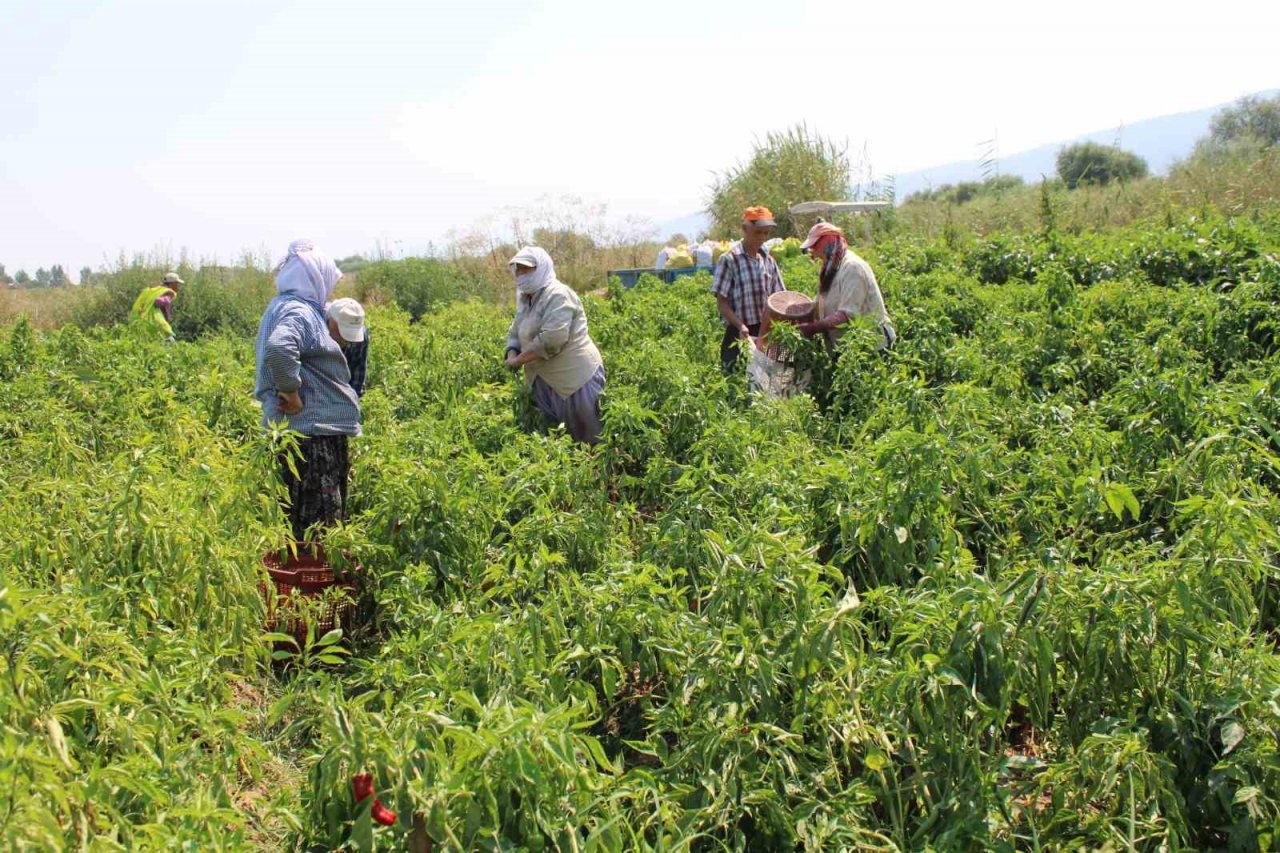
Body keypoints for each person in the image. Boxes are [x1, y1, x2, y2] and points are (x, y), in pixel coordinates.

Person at [254, 240, 361, 542]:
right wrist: (291, 393)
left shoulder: (296, 308)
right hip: (312, 435)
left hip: (316, 430)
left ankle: (308, 582)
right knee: (320, 524)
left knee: (305, 519)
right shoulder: (299, 312)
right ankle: (314, 583)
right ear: (314, 278)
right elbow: (279, 347)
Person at [504, 246, 606, 445]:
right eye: (519, 270)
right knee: (558, 440)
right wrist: (511, 351)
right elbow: (515, 330)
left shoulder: (558, 294)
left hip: (573, 380)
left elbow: (553, 338)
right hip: (542, 380)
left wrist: (518, 361)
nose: (522, 275)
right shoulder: (525, 298)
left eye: (527, 269)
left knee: (588, 438)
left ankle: (600, 474)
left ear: (542, 267)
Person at [796, 222, 895, 353]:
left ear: (827, 242)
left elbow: (848, 315)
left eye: (815, 246)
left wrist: (813, 328)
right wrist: (802, 313)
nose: (813, 252)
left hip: (872, 347)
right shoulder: (831, 268)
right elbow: (822, 301)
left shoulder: (852, 267)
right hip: (847, 348)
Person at [710, 206, 786, 374]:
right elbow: (722, 302)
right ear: (745, 229)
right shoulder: (730, 259)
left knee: (774, 380)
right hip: (739, 332)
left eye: (766, 233)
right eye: (758, 232)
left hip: (766, 331)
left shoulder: (768, 260)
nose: (763, 238)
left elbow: (779, 297)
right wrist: (739, 325)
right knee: (735, 378)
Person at [326, 297, 368, 398]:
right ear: (332, 323)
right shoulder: (314, 330)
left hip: (342, 391)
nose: (348, 340)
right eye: (344, 334)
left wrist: (353, 401)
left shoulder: (361, 336)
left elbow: (358, 370)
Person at [131, 271, 183, 340]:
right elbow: (157, 302)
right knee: (170, 343)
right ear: (172, 284)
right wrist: (168, 298)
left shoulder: (156, 291)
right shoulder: (167, 293)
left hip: (148, 325)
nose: (178, 286)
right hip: (158, 326)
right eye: (177, 283)